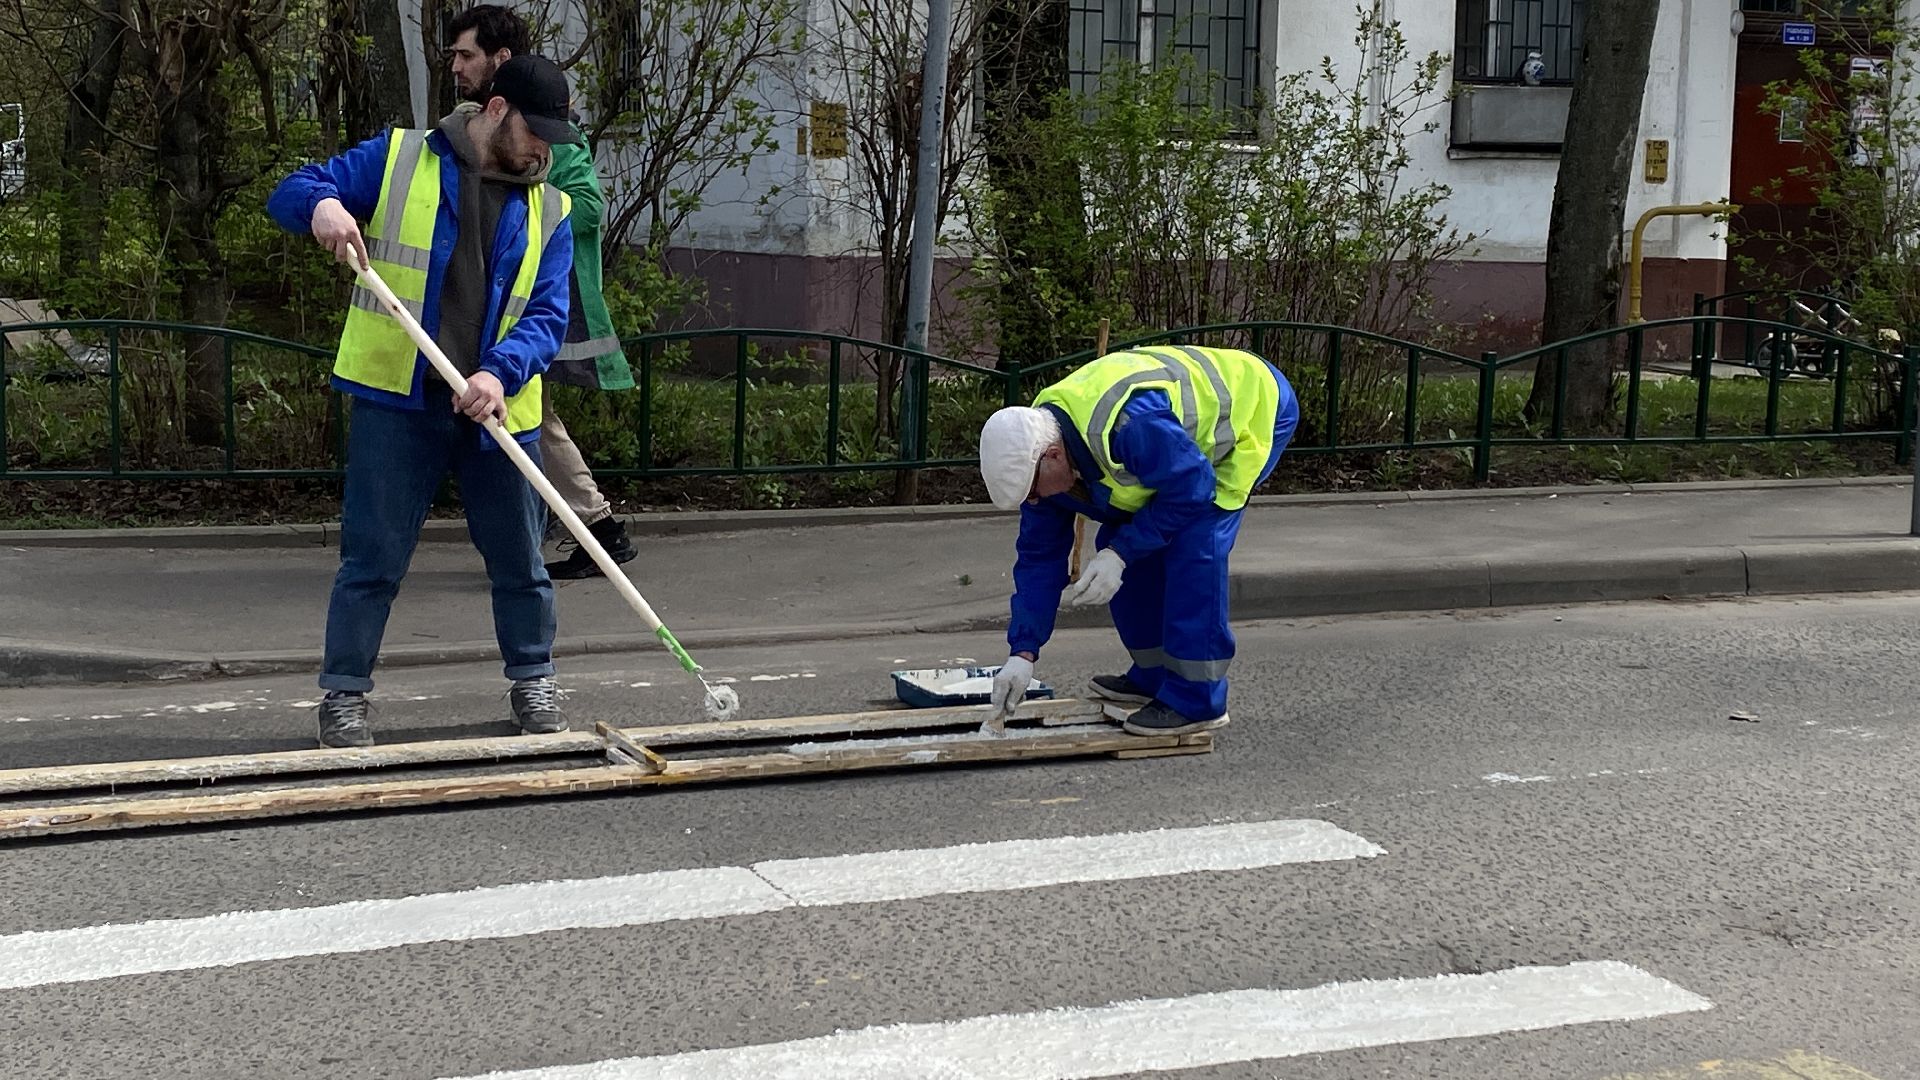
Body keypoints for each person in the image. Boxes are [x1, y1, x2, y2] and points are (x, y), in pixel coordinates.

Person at [267, 54, 582, 748]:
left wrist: (499, 374)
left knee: (520, 563)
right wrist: (320, 205)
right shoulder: (401, 159)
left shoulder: (549, 208)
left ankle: (533, 680)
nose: (543, 152)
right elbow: (294, 189)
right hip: (398, 402)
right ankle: (344, 696)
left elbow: (546, 319)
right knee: (372, 559)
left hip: (498, 412)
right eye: (538, 133)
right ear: (497, 110)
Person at [978, 344, 1301, 737]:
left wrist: (1122, 553)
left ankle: (1197, 700)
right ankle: (1155, 676)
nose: (1034, 501)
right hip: (1174, 456)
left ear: (1053, 456)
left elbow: (1193, 487)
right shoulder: (1038, 460)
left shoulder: (1128, 425)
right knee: (1120, 540)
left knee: (1193, 546)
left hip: (1252, 413)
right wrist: (1022, 653)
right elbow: (1038, 558)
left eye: (1032, 491)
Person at [447, 5, 637, 579]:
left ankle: (595, 525)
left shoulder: (547, 132)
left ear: (501, 62)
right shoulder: (468, 124)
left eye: (466, 55)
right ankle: (570, 523)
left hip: (529, 299)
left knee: (530, 413)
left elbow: (585, 208)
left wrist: (524, 202)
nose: (455, 66)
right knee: (522, 412)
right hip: (494, 295)